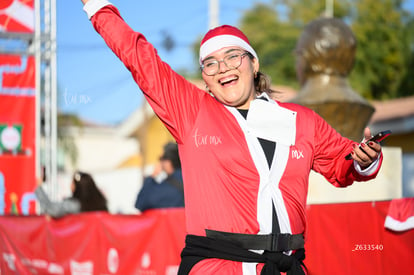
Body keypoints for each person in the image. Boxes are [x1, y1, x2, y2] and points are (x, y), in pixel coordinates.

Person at [79, 1, 384, 274]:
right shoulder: (192, 112)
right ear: (207, 80)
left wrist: (366, 159)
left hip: (287, 267)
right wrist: (97, 6)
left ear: (254, 64)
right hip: (217, 266)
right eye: (210, 63)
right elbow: (139, 57)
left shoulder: (300, 120)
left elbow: (343, 163)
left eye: (233, 56)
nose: (223, 67)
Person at [135, 142, 184, 212]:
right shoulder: (191, 180)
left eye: (161, 158)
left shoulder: (166, 187)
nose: (159, 162)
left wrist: (152, 176)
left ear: (168, 161)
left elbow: (140, 203)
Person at [35, 171, 108, 218]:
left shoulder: (74, 206)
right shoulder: (101, 204)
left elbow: (51, 208)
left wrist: (38, 187)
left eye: (72, 183)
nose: (70, 185)